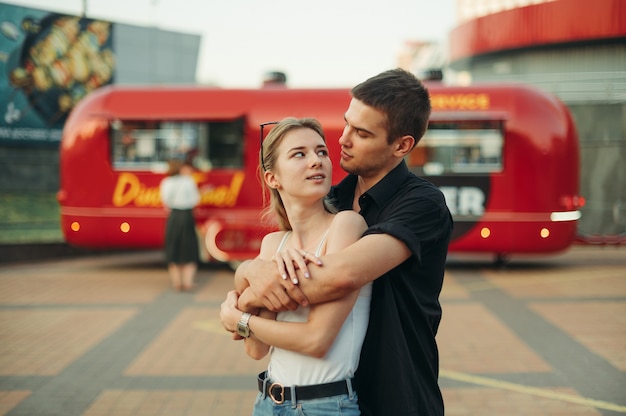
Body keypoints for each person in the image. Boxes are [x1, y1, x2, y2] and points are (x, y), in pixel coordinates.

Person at [229, 69, 453, 416]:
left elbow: (339, 275)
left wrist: (243, 302)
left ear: (402, 145)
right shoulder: (334, 197)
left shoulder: (421, 204)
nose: (343, 139)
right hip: (312, 394)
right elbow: (259, 344)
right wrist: (250, 269)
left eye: (361, 133)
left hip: (394, 393)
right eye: (347, 124)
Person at [220, 117, 370, 415]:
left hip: (325, 406)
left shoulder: (346, 225)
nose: (316, 161)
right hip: (267, 402)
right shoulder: (274, 244)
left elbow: (317, 340)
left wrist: (238, 317)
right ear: (272, 178)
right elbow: (256, 350)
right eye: (299, 154)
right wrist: (256, 273)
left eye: (321, 152)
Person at [160, 159, 201, 291]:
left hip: (174, 216)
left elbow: (166, 201)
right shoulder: (188, 181)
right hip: (187, 216)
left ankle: (177, 282)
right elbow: (195, 199)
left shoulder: (166, 182)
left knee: (173, 248)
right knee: (189, 248)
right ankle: (188, 282)